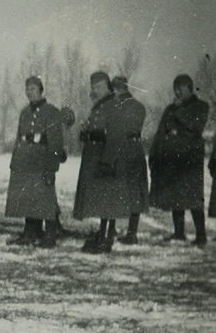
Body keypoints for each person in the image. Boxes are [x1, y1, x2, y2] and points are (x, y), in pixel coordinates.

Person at [73, 71, 139, 253]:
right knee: (103, 201)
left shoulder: (114, 105)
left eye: (99, 87)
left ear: (108, 86)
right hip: (97, 158)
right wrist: (85, 132)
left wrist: (108, 161)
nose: (95, 90)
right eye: (93, 87)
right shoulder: (99, 106)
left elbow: (116, 136)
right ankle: (102, 235)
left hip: (109, 160)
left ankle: (107, 238)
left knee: (109, 201)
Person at [148, 74, 210, 246]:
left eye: (181, 89)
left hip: (190, 161)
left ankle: (201, 235)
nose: (177, 92)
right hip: (172, 160)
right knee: (176, 197)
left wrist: (180, 111)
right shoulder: (170, 109)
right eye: (175, 89)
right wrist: (155, 154)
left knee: (193, 198)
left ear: (190, 89)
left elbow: (196, 125)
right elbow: (161, 132)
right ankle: (179, 233)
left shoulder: (200, 106)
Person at [4, 76, 65, 247]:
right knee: (27, 197)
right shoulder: (24, 112)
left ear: (40, 90)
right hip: (25, 161)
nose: (29, 92)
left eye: (32, 89)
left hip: (42, 161)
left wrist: (52, 167)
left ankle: (50, 235)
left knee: (45, 198)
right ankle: (30, 233)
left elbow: (55, 142)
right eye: (27, 89)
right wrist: (15, 159)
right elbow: (19, 138)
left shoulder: (51, 111)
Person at [111, 76, 149, 244]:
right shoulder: (138, 107)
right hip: (133, 150)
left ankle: (115, 230)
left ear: (117, 89)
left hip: (123, 150)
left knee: (118, 188)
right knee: (133, 190)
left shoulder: (118, 106)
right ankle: (129, 232)